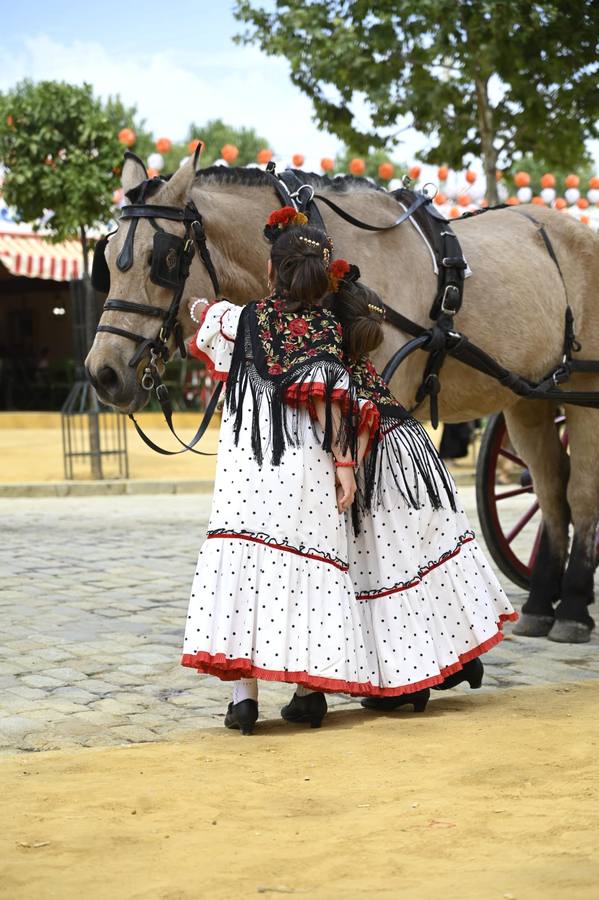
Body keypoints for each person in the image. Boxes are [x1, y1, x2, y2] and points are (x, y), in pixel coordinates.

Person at [181, 206, 516, 735]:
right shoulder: (327, 334)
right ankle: (314, 690)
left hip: (247, 475)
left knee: (243, 569)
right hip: (313, 473)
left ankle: (243, 701)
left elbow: (206, 320)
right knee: (317, 570)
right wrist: (344, 464)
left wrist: (201, 305)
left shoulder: (242, 320)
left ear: (271, 273)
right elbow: (338, 400)